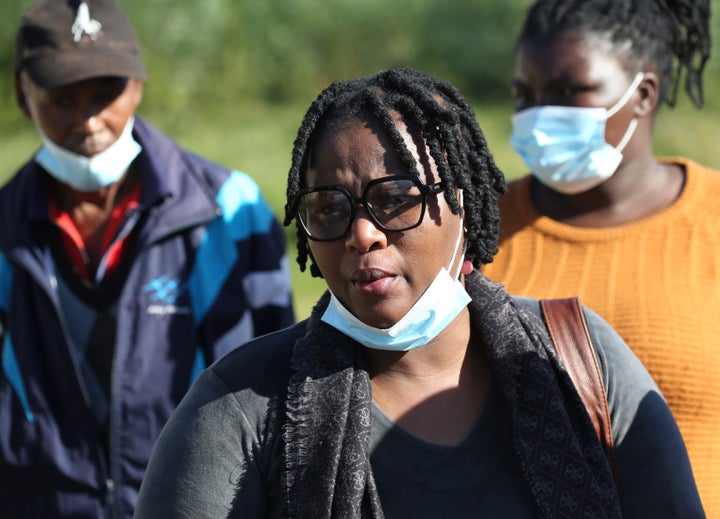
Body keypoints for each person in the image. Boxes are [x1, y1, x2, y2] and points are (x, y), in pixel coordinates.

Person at [134, 68, 703, 518]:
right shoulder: (239, 406)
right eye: (328, 208)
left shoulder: (581, 362)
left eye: (396, 196)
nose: (362, 233)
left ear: (461, 200)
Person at [0, 0, 294, 517]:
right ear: (24, 99)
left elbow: (283, 389)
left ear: (138, 85)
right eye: (62, 99)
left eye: (105, 94)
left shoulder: (231, 214)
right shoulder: (4, 230)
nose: (89, 120)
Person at [481, 0, 720, 514]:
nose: (540, 114)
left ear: (643, 95)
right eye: (526, 95)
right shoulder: (474, 232)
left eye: (569, 92)